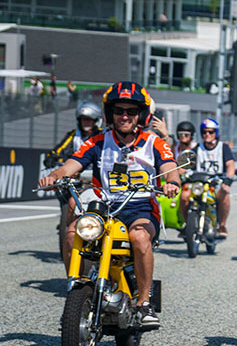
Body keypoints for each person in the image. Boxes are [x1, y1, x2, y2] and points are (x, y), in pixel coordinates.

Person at [39, 81, 180, 327]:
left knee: (139, 237)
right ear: (109, 113)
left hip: (140, 208)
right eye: (119, 110)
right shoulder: (97, 141)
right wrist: (55, 176)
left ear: (141, 115)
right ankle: (76, 291)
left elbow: (170, 167)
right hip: (104, 206)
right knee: (72, 234)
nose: (124, 116)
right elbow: (72, 164)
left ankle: (144, 303)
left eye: (131, 111)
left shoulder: (154, 142)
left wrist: (172, 182)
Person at [44, 100, 103, 270]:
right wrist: (52, 157)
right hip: (77, 178)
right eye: (83, 119)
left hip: (96, 180)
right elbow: (59, 149)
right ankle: (67, 225)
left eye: (89, 120)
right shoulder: (72, 135)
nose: (86, 122)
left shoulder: (102, 136)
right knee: (65, 196)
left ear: (96, 121)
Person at [176, 118, 236, 236]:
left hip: (216, 181)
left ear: (216, 133)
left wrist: (228, 180)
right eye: (204, 132)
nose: (207, 134)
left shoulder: (223, 148)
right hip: (199, 182)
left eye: (210, 132)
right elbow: (184, 166)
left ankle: (222, 225)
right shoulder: (197, 148)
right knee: (184, 195)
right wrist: (179, 174)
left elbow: (230, 165)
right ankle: (188, 224)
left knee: (224, 193)